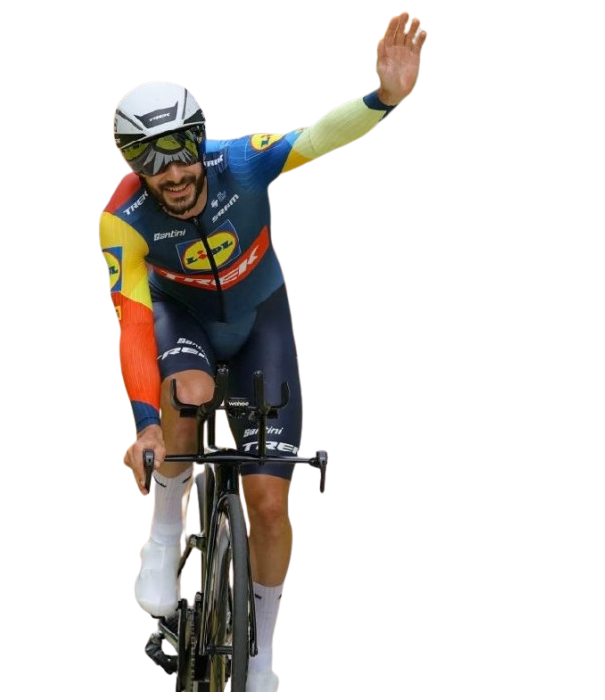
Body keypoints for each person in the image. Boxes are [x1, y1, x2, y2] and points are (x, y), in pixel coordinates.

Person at [99, 11, 427, 692]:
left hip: (260, 320)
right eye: (147, 159)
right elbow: (132, 323)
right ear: (130, 164)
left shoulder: (240, 162)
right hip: (182, 319)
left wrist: (384, 98)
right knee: (187, 392)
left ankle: (261, 655)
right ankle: (163, 537)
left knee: (271, 504)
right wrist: (145, 426)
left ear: (201, 138)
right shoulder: (120, 218)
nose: (171, 171)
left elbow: (317, 137)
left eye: (180, 148)